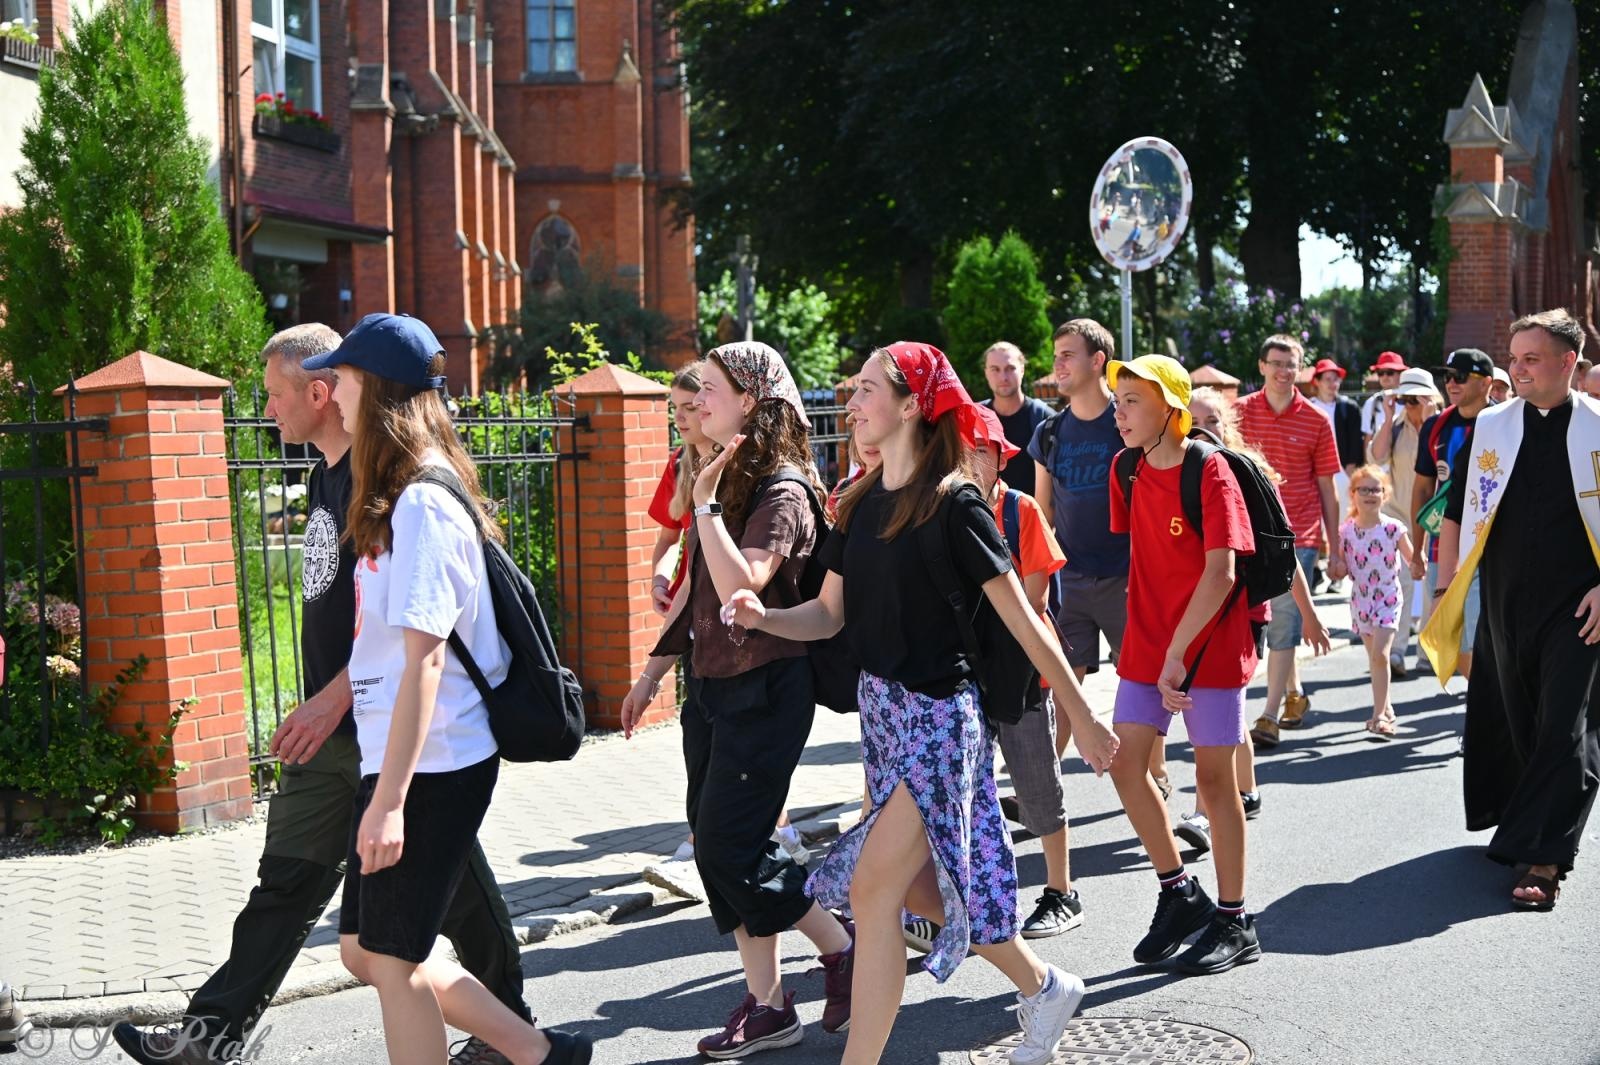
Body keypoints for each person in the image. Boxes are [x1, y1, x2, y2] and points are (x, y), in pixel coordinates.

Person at [114, 322, 546, 1065]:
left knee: (434, 917)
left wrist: (339, 706)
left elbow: (418, 637)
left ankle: (516, 1034)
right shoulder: (330, 476)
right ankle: (208, 1037)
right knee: (300, 892)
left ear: (331, 392)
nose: (267, 409)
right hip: (349, 732)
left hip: (393, 732)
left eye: (278, 393)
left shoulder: (397, 492)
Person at [726, 342, 1117, 1065]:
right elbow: (828, 615)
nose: (852, 403)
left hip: (942, 717)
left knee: (873, 890)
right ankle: (1045, 985)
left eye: (867, 389)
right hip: (883, 717)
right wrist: (765, 616)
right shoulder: (856, 501)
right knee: (922, 893)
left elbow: (1026, 621)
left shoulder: (956, 503)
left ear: (911, 405)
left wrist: (1085, 717)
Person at [319, 315, 589, 1065]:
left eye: (342, 378)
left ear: (376, 390)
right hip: (404, 758)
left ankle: (534, 1052)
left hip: (433, 764)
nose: (332, 393)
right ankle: (537, 1051)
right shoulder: (403, 493)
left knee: (393, 960)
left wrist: (391, 801)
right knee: (363, 949)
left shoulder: (424, 504)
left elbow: (426, 663)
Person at [621, 342, 855, 1059]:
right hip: (711, 686)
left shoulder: (784, 489)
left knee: (729, 846)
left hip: (768, 688)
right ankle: (769, 1005)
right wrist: (651, 677)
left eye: (712, 390)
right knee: (717, 847)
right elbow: (695, 594)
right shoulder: (726, 477)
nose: (698, 403)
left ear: (750, 401)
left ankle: (841, 946)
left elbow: (739, 586)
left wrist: (703, 505)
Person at [1422, 308, 1600, 912]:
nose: (1517, 370)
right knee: (1518, 713)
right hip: (1504, 597)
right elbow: (1454, 511)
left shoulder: (1598, 426)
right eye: (1514, 358)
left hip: (1580, 604)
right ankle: (1525, 816)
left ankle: (1544, 858)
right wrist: (1446, 590)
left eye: (1531, 359)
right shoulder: (1492, 427)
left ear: (1567, 362)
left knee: (1563, 724)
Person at [1103, 355, 1260, 975]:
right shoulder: (1125, 468)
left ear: (1171, 408)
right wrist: (1154, 647)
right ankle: (1179, 892)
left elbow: (1221, 573)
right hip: (1148, 644)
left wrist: (1178, 653)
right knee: (1125, 764)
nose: (1120, 414)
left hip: (1211, 645)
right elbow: (1146, 558)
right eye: (1118, 402)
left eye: (1132, 402)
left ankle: (1235, 919)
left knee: (1215, 783)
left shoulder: (1211, 468)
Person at [1173, 389, 1329, 855]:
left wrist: (1309, 614)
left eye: (1213, 420)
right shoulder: (1172, 472)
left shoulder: (1251, 474)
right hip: (1195, 610)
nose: (1203, 428)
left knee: (1210, 710)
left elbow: (1284, 554)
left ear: (1229, 426)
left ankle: (1203, 813)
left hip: (1242, 611)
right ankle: (1249, 789)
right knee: (1226, 710)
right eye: (1193, 420)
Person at [1028, 320, 1146, 772]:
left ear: (1098, 361)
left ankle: (1152, 773)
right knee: (1063, 689)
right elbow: (1043, 513)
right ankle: (1044, 787)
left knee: (1140, 685)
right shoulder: (1050, 432)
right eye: (1055, 355)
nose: (1057, 364)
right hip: (1070, 582)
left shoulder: (1127, 424)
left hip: (1127, 580)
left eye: (1067, 355)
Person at [1236, 335, 1341, 748]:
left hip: (1299, 534)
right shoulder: (1238, 413)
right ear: (1262, 366)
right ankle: (1294, 692)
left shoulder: (1316, 420)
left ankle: (1267, 715)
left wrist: (1335, 546)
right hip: (1247, 534)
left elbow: (1327, 487)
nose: (1283, 371)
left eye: (1291, 364)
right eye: (1276, 363)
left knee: (1283, 620)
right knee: (1280, 619)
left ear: (1301, 369)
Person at [1410, 348, 1492, 683]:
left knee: (1483, 639)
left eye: (1460, 376)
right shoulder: (1435, 427)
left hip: (1491, 550)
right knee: (1451, 640)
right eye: (1447, 376)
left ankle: (1489, 707)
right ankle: (1484, 703)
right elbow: (1422, 490)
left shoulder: (1505, 424)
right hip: (1442, 548)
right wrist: (1417, 551)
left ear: (1486, 383)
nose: (1451, 383)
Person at [1370, 367, 1443, 674]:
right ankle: (1397, 651)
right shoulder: (1396, 426)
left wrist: (1430, 420)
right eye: (1405, 399)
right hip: (1400, 517)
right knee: (1400, 584)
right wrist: (1388, 417)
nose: (1408, 405)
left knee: (1432, 586)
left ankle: (1427, 652)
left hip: (1436, 518)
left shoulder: (1443, 426)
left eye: (1415, 399)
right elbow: (1376, 457)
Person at [1336, 466, 1414, 739]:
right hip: (1361, 602)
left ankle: (1379, 716)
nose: (1370, 494)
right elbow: (1340, 567)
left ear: (1385, 494)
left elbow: (1413, 561)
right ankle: (1387, 707)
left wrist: (1420, 564)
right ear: (1353, 494)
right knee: (1375, 659)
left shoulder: (1394, 529)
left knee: (1380, 655)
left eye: (1376, 489)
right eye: (1364, 489)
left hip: (1388, 598)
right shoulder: (1346, 531)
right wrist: (1335, 567)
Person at [979, 340, 1055, 497]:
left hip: (1035, 511)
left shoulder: (1045, 418)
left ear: (1022, 369)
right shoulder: (976, 418)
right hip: (985, 510)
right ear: (986, 373)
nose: (1003, 377)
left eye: (1010, 368)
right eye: (995, 369)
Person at [1360, 351, 1408, 452]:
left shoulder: (1411, 401)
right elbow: (1368, 438)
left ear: (1401, 374)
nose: (1385, 377)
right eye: (1381, 373)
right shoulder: (1371, 403)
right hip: (1380, 461)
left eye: (1390, 372)